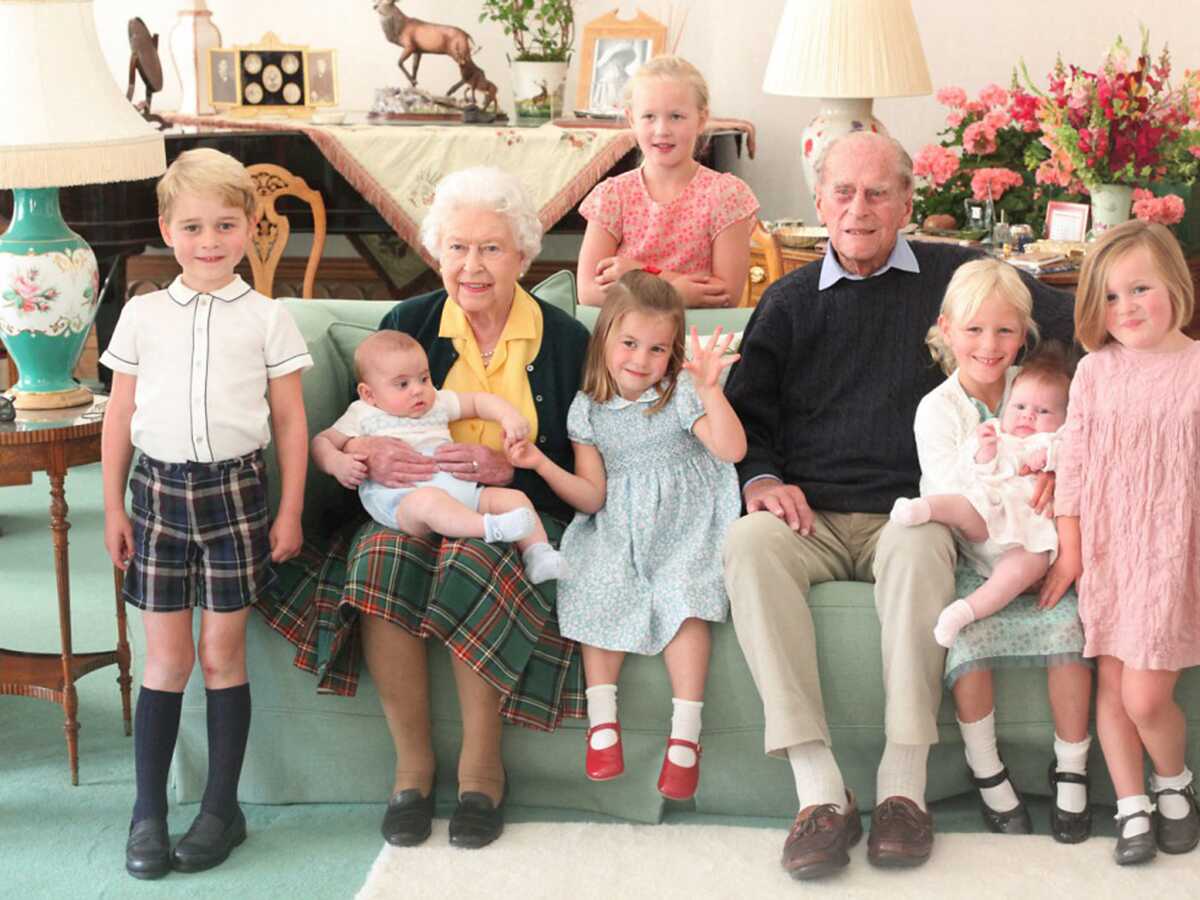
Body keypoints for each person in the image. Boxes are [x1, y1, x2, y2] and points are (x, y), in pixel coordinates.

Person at [721, 130, 1074, 880]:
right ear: (819, 202)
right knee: (746, 545)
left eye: (879, 192)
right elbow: (746, 417)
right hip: (805, 517)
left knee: (919, 545)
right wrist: (759, 479)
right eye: (843, 193)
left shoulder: (956, 276)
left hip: (906, 514)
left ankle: (902, 789)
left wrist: (1069, 439)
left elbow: (1069, 328)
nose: (859, 208)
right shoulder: (785, 303)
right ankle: (818, 792)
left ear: (909, 203)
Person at [258, 166, 589, 851]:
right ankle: (412, 767)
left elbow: (581, 470)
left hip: (511, 510)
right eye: (457, 247)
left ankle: (480, 769)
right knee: (378, 558)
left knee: (476, 556)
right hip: (401, 508)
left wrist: (513, 471)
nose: (472, 266)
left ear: (523, 256)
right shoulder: (407, 325)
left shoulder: (564, 340)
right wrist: (368, 458)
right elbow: (358, 425)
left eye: (492, 248)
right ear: (437, 252)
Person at [100, 148, 312, 879]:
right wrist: (111, 509)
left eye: (226, 224)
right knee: (167, 658)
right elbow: (119, 416)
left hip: (236, 500)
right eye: (192, 226)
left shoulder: (268, 317)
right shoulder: (141, 313)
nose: (210, 241)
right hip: (156, 498)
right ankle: (147, 812)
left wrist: (289, 511)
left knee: (221, 656)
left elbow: (290, 423)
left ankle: (222, 808)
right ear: (166, 228)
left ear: (251, 227)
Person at [506, 271, 744, 800]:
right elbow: (592, 497)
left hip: (688, 521)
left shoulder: (679, 391)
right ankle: (603, 723)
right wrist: (542, 464)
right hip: (619, 520)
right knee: (595, 581)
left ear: (673, 352)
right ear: (605, 339)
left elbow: (731, 451)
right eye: (630, 343)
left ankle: (686, 738)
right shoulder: (587, 408)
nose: (641, 359)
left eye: (658, 348)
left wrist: (709, 390)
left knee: (685, 598)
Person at [892, 259, 1093, 843]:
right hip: (976, 555)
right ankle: (988, 771)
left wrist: (1057, 479)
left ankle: (1073, 769)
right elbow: (946, 490)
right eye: (975, 330)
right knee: (967, 646)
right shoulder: (940, 409)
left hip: (1038, 548)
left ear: (1024, 335)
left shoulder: (1036, 390)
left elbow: (1074, 447)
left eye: (1005, 332)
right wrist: (989, 457)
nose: (989, 346)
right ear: (947, 330)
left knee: (1069, 636)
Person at [1042, 220, 1200, 866]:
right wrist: (1072, 549)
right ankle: (1133, 805)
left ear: (1176, 285)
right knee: (1111, 687)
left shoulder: (1195, 370)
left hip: (1171, 553)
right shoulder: (1096, 373)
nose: (1125, 308)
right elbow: (1074, 471)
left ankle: (1176, 782)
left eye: (1140, 289)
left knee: (1144, 695)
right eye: (1109, 296)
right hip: (1109, 549)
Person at [311, 330, 565, 583]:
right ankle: (489, 528)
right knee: (430, 502)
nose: (418, 390)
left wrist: (508, 417)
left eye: (424, 378)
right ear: (369, 394)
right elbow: (322, 442)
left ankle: (539, 554)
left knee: (513, 498)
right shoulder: (362, 413)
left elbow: (478, 402)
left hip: (460, 489)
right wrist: (338, 463)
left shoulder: (437, 403)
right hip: (403, 501)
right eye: (403, 384)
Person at [894, 324, 1074, 649]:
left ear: (1063, 418)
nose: (1028, 417)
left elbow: (1077, 461)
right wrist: (986, 451)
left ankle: (965, 612)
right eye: (1020, 408)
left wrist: (1049, 461)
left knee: (1026, 566)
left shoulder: (1058, 440)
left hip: (1028, 535)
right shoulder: (994, 431)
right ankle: (920, 508)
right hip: (987, 514)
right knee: (963, 504)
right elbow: (973, 471)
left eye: (1043, 411)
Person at [576, 55, 759, 309]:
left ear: (701, 119)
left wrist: (639, 274)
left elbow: (726, 294)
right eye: (649, 116)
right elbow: (587, 292)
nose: (662, 129)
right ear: (631, 119)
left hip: (699, 342)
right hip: (629, 343)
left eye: (676, 116)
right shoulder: (612, 196)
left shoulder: (726, 195)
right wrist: (676, 291)